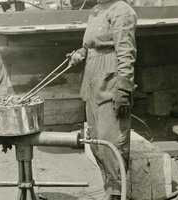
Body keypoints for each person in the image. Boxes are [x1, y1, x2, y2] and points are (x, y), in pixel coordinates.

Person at [69, 0, 137, 199]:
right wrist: (80, 53)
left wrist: (123, 89)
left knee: (112, 141)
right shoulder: (97, 11)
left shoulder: (123, 11)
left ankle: (117, 194)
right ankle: (110, 189)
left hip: (110, 82)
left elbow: (126, 53)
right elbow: (90, 45)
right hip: (92, 80)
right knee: (96, 141)